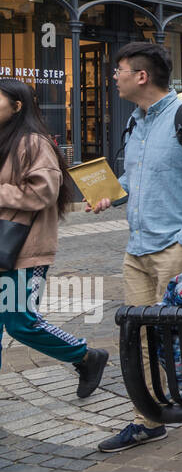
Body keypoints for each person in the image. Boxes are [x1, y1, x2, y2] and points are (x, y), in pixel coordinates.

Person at [88, 42, 182, 453]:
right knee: (139, 338)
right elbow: (133, 177)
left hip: (177, 249)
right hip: (137, 249)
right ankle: (148, 418)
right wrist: (113, 193)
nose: (115, 76)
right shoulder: (135, 121)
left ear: (141, 76)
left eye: (120, 69)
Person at [0, 80, 108, 397]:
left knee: (21, 322)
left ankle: (85, 356)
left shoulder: (33, 143)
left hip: (24, 249)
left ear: (17, 106)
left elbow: (43, 191)